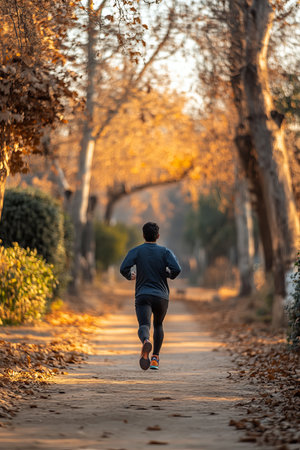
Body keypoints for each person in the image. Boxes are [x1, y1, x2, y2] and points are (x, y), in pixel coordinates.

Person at [120, 222, 181, 371]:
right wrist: (168, 274)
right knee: (158, 325)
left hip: (143, 295)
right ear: (158, 236)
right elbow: (177, 269)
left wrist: (130, 275)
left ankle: (146, 340)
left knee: (144, 326)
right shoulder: (165, 252)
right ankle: (155, 359)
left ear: (143, 235)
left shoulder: (137, 251)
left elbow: (123, 268)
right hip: (161, 296)